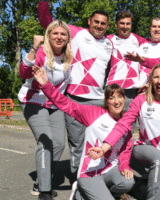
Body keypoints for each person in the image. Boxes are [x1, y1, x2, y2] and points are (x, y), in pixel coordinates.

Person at [32, 67, 134, 200]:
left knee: (128, 182)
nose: (116, 101)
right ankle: (80, 189)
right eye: (111, 98)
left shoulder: (126, 123)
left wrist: (125, 166)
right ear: (106, 102)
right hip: (90, 171)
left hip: (110, 169)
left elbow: (125, 151)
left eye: (120, 96)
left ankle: (85, 193)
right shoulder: (94, 113)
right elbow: (66, 104)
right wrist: (46, 85)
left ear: (124, 100)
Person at [39, 0, 114, 181]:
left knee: (100, 141)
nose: (99, 25)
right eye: (96, 21)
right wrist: (43, 3)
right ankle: (78, 178)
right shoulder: (76, 33)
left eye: (103, 23)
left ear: (107, 26)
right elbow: (48, 25)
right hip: (75, 98)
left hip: (98, 101)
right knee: (77, 143)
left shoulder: (110, 43)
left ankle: (99, 176)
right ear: (89, 21)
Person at [88, 64, 160, 200]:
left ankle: (139, 184)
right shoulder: (140, 100)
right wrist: (104, 147)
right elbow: (123, 125)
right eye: (156, 77)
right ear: (150, 81)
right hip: (142, 149)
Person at [18, 20, 73, 200]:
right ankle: (44, 190)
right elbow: (23, 74)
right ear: (48, 36)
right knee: (46, 142)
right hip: (33, 101)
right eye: (55, 33)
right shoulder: (42, 53)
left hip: (53, 104)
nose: (59, 37)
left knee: (58, 143)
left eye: (63, 34)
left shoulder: (69, 57)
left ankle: (41, 179)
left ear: (67, 38)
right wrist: (34, 48)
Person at [106, 10, 147, 111]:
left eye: (128, 23)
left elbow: (156, 46)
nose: (125, 26)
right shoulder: (109, 39)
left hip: (132, 89)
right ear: (116, 24)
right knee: (112, 122)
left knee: (129, 122)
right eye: (122, 23)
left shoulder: (138, 40)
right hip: (113, 87)